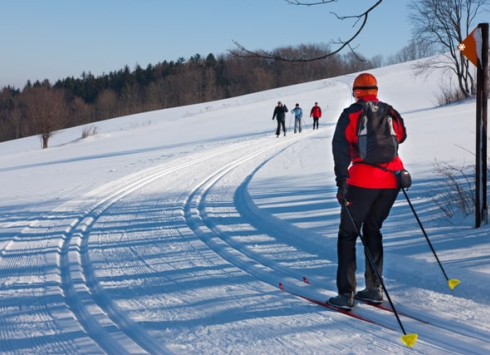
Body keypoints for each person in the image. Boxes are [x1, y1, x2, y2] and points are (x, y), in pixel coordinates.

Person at [328, 73, 407, 310]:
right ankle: (374, 288)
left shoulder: (350, 114)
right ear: (375, 90)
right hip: (393, 180)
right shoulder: (389, 111)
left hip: (362, 181)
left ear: (356, 92)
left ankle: (346, 294)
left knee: (348, 234)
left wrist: (342, 182)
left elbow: (340, 148)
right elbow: (401, 137)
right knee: (373, 229)